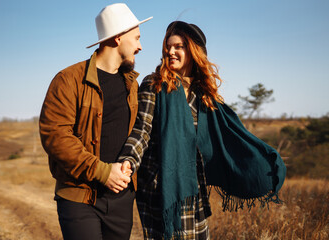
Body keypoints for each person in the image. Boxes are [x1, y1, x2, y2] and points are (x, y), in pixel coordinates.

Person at [118, 21, 286, 239]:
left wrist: (264, 162)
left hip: (194, 190)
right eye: (168, 47)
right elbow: (142, 130)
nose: (171, 51)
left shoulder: (203, 94)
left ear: (193, 50)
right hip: (161, 191)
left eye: (178, 46)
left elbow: (231, 135)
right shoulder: (155, 84)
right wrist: (128, 160)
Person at [39, 3, 152, 240]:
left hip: (121, 200)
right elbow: (56, 136)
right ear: (118, 37)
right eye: (137, 38)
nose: (141, 46)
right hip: (80, 197)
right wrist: (102, 172)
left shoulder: (131, 85)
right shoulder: (68, 80)